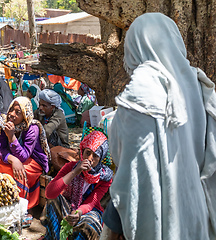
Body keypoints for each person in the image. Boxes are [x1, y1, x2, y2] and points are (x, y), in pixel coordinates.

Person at [101, 13, 216, 240]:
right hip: (197, 217)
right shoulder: (200, 85)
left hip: (158, 223)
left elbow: (131, 176)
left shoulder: (143, 89)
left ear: (135, 45)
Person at [41, 130, 113, 240]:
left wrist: (78, 213)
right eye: (87, 153)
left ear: (101, 158)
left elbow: (91, 203)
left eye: (95, 156)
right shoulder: (71, 167)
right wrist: (75, 172)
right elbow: (49, 193)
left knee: (89, 224)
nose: (89, 159)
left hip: (88, 211)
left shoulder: (104, 178)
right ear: (82, 152)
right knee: (53, 200)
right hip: (68, 205)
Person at [0, 97, 51, 209]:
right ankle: (2, 199)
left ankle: (21, 206)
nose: (12, 115)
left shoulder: (32, 128)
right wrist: (12, 159)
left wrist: (12, 137)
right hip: (14, 158)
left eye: (18, 112)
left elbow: (24, 156)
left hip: (34, 160)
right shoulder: (1, 123)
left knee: (18, 171)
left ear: (25, 115)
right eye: (11, 110)